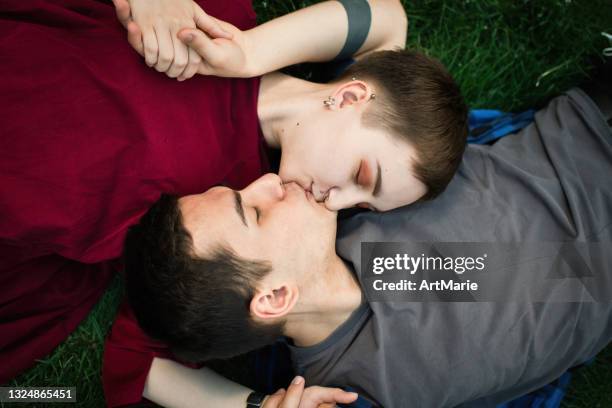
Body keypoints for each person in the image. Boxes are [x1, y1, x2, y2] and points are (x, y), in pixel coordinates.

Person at [0, 0, 467, 405]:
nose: (337, 201)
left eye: (365, 204)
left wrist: (255, 406)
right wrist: (249, 53)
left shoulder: (226, 212)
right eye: (362, 175)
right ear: (347, 96)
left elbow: (136, 356)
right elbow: (388, 19)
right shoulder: (221, 23)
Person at [125, 82, 612, 406]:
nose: (266, 181)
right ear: (274, 296)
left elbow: (378, 24)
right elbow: (134, 362)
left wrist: (247, 51)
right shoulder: (354, 388)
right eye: (252, 211)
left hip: (591, 138)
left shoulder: (359, 196)